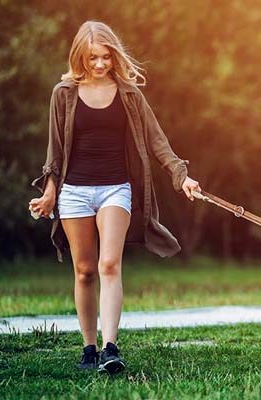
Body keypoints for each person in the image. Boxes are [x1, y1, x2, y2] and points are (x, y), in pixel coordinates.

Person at [27, 21, 201, 374]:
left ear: (114, 56)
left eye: (106, 57)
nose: (101, 64)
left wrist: (180, 176)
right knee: (85, 271)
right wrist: (49, 193)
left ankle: (110, 347)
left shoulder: (129, 94)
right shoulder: (63, 93)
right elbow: (55, 152)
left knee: (109, 265)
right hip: (74, 193)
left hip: (115, 189)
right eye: (93, 58)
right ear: (80, 56)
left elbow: (156, 140)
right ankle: (88, 348)